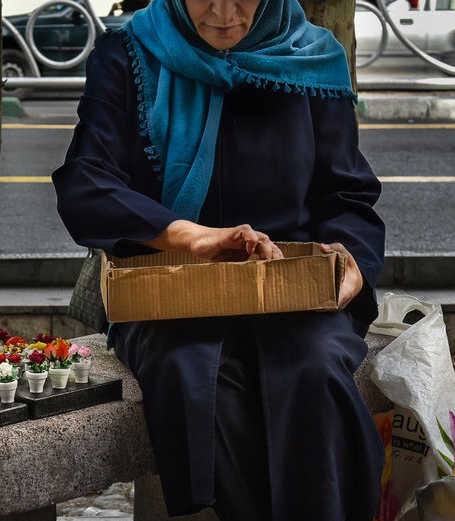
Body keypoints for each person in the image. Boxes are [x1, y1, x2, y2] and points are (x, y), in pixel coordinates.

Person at [52, 0, 386, 518]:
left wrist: (350, 260)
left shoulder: (314, 58)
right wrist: (192, 236)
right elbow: (86, 181)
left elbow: (345, 195)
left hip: (287, 284)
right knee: (199, 379)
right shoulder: (128, 52)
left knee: (316, 371)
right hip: (169, 284)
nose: (224, 12)